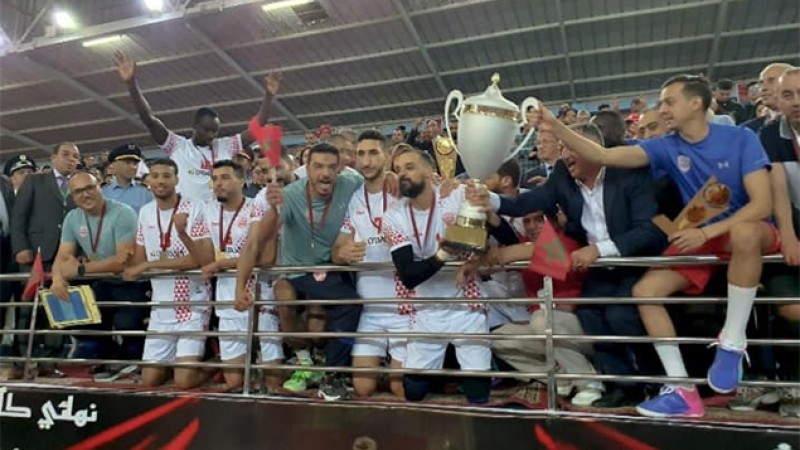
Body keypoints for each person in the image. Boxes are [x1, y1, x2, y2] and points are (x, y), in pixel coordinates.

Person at [526, 75, 777, 418]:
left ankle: (731, 344)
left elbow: (762, 205)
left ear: (696, 103)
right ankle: (681, 390)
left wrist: (706, 233)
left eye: (669, 102)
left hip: (742, 233)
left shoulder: (741, 138)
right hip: (699, 238)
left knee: (746, 233)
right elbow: (601, 154)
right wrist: (555, 126)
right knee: (644, 291)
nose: (663, 109)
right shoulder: (666, 146)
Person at [479, 123, 667, 407]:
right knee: (592, 315)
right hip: (598, 269)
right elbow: (525, 203)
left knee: (619, 316)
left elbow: (649, 230)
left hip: (632, 261)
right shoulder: (563, 177)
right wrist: (489, 200)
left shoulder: (628, 173)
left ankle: (655, 381)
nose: (564, 155)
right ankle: (622, 386)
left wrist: (598, 250)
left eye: (570, 148)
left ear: (592, 149)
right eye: (563, 148)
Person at [237, 143, 366, 400]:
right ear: (306, 169)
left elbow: (377, 180)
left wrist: (393, 177)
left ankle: (327, 368)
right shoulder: (291, 195)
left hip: (332, 268)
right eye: (318, 166)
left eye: (331, 167)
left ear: (340, 168)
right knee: (287, 300)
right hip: (296, 271)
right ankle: (315, 364)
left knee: (341, 313)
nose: (325, 173)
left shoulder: (351, 182)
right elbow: (254, 243)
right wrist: (240, 287)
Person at [383, 146, 491, 404]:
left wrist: (463, 243)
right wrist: (445, 253)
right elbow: (408, 275)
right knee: (414, 391)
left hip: (466, 304)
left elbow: (476, 245)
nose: (402, 174)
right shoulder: (392, 216)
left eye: (409, 167)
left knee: (478, 391)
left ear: (430, 171)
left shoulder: (455, 195)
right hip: (425, 309)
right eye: (398, 170)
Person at [114, 51, 282, 202]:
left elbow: (258, 126)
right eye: (206, 130)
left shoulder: (226, 146)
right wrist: (131, 83)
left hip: (217, 218)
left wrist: (268, 96)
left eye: (214, 131)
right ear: (194, 126)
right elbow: (148, 119)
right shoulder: (177, 145)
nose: (211, 136)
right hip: (185, 219)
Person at [123, 158, 215, 389]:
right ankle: (182, 364)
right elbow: (138, 259)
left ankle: (221, 363)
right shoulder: (145, 212)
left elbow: (201, 259)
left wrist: (148, 266)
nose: (160, 181)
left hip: (192, 305)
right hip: (161, 306)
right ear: (148, 180)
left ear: (177, 179)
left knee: (183, 382)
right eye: (155, 176)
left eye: (166, 175)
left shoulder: (194, 207)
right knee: (150, 380)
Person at [331, 132, 405, 398]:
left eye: (373, 152)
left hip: (404, 308)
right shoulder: (354, 199)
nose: (367, 160)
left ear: (386, 156)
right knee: (362, 388)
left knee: (401, 389)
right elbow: (337, 250)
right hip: (370, 310)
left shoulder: (402, 192)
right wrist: (344, 253)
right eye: (361, 153)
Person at [200, 160, 283, 390]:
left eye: (225, 177)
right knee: (236, 382)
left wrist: (221, 264)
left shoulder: (258, 207)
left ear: (242, 180)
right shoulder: (205, 210)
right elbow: (205, 259)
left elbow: (267, 258)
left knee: (274, 381)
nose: (218, 184)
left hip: (262, 294)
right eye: (215, 179)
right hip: (227, 301)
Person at [50, 172, 144, 368]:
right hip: (101, 281)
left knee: (126, 323)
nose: (85, 195)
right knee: (73, 310)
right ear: (73, 197)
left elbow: (122, 263)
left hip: (130, 282)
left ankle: (132, 358)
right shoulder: (72, 217)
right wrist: (57, 279)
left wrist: (82, 269)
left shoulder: (123, 213)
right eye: (78, 192)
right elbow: (63, 256)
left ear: (100, 187)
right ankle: (108, 355)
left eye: (89, 188)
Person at [102, 144, 153, 213]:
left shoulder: (145, 192)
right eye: (127, 162)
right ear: (114, 165)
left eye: (135, 163)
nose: (133, 167)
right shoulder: (102, 191)